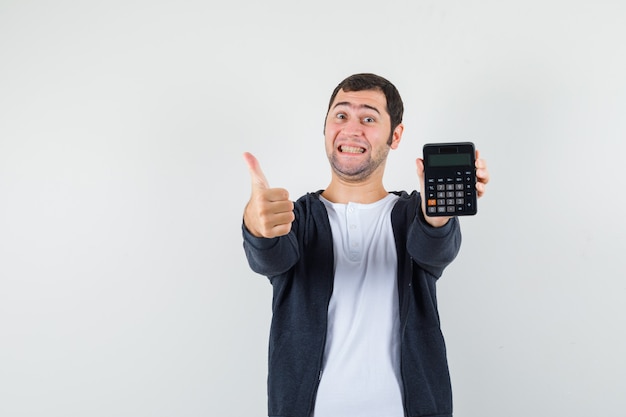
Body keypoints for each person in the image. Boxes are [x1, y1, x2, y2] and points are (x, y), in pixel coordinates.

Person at [241, 73, 490, 417]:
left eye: (369, 118)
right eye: (341, 115)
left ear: (395, 135)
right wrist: (257, 224)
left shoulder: (412, 215)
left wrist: (438, 212)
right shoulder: (296, 218)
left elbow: (434, 249)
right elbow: (268, 257)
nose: (351, 128)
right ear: (326, 127)